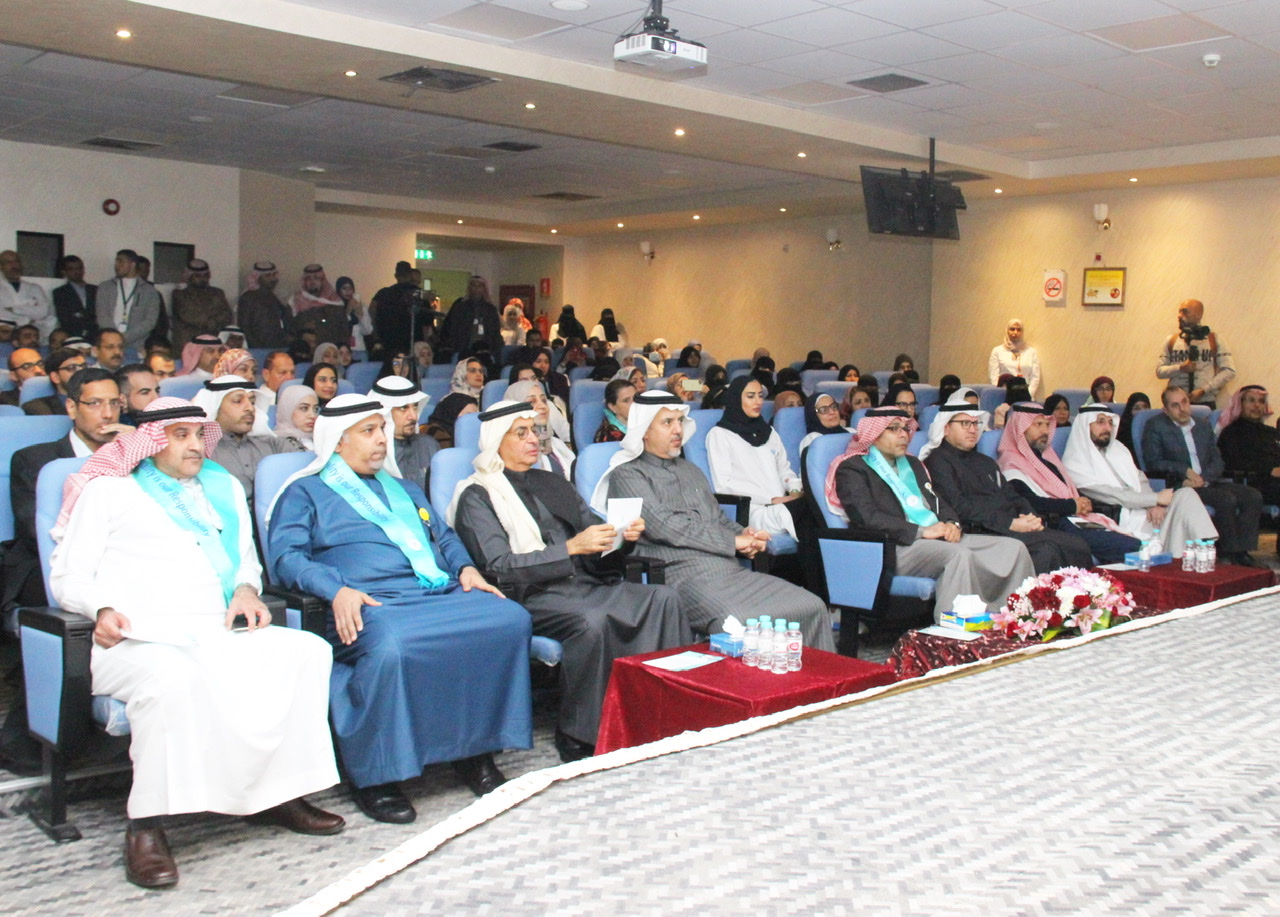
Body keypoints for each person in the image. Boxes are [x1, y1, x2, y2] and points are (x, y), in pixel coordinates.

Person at [50, 398, 342, 886]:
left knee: (306, 652)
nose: (193, 446)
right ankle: (145, 826)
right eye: (179, 435)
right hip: (135, 639)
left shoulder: (221, 487)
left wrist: (246, 589)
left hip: (214, 629)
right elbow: (68, 576)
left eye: (197, 435)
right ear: (149, 442)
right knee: (171, 678)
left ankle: (279, 794)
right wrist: (99, 609)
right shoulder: (108, 491)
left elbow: (246, 562)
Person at [268, 395, 532, 823]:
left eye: (382, 430)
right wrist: (336, 590)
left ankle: (474, 751)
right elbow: (287, 558)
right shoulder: (304, 493)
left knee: (508, 619)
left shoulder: (404, 488)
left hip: (434, 592)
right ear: (337, 441)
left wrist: (465, 568)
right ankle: (377, 775)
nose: (381, 439)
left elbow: (443, 537)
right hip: (367, 602)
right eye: (369, 431)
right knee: (393, 643)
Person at [451, 401, 689, 761]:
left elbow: (593, 535)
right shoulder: (477, 495)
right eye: (521, 433)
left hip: (583, 583)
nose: (534, 439)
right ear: (497, 440)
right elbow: (499, 565)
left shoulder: (552, 482)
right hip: (531, 594)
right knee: (591, 621)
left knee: (664, 598)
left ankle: (658, 709)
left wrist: (621, 537)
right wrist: (571, 548)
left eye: (535, 431)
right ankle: (579, 730)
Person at [597, 392, 834, 651]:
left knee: (812, 606)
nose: (677, 430)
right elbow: (664, 526)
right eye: (667, 423)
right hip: (677, 575)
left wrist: (747, 534)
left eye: (679, 421)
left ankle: (809, 679)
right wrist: (732, 541)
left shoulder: (690, 470)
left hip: (727, 569)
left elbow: (717, 518)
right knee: (736, 623)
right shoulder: (628, 474)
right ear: (644, 431)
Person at [828, 407, 1034, 621]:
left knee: (1013, 548)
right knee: (957, 555)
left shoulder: (912, 464)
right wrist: (921, 531)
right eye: (894, 429)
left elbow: (937, 500)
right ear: (874, 434)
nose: (903, 435)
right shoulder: (853, 469)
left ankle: (1013, 620)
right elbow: (866, 517)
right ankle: (952, 630)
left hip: (936, 539)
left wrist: (952, 523)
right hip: (894, 546)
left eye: (906, 429)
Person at [922, 401, 1092, 574]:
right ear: (946, 428)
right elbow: (959, 507)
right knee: (1047, 550)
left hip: (1012, 526)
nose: (972, 430)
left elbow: (1012, 496)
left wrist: (1029, 517)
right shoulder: (937, 462)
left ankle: (1077, 591)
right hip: (983, 531)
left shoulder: (985, 462)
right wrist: (1011, 524)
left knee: (1077, 544)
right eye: (965, 423)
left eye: (975, 423)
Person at [1063, 403, 1218, 560]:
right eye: (1101, 422)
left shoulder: (1118, 449)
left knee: (1186, 494)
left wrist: (1153, 504)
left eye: (1110, 422)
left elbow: (1140, 479)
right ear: (1085, 425)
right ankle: (1187, 559)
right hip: (1123, 521)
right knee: (1181, 520)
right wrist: (1154, 499)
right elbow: (1115, 496)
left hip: (1145, 511)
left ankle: (1207, 547)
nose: (1108, 428)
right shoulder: (1074, 462)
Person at [998, 403, 1142, 563]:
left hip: (1074, 518)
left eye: (1047, 425)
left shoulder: (1046, 458)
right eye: (1038, 424)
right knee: (1130, 547)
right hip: (1053, 524)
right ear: (1020, 428)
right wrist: (1072, 505)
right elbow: (1030, 503)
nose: (1045, 431)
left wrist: (1082, 503)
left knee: (1132, 543)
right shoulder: (1011, 464)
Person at [1142, 387, 1263, 565]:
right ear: (1166, 410)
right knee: (1225, 499)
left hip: (1208, 480)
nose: (1182, 409)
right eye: (1175, 405)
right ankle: (1229, 553)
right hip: (1183, 485)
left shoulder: (1202, 425)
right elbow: (1153, 462)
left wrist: (1204, 478)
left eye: (1184, 402)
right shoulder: (1156, 426)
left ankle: (1243, 551)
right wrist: (1184, 471)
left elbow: (1217, 459)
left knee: (1252, 496)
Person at [193, 376, 301, 501]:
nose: (250, 408)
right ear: (215, 408)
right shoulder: (202, 454)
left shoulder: (274, 445)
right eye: (238, 401)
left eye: (252, 402)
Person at [1156, 298, 1234, 407]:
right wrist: (1180, 368)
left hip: (1205, 402)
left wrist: (1204, 390)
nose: (1179, 316)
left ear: (1198, 315)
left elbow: (1229, 371)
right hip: (1175, 404)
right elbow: (1160, 371)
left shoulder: (1214, 340)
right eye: (1179, 312)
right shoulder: (1171, 341)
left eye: (1185, 312)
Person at [372, 375, 439, 492]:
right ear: (385, 413)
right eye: (403, 408)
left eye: (415, 407)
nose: (413, 416)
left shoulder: (429, 445)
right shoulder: (371, 453)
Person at [1217, 385, 1280, 505]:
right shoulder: (1231, 433)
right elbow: (1232, 463)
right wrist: (1269, 470)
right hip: (1253, 485)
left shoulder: (1271, 432)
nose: (1256, 405)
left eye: (1261, 401)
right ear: (1240, 404)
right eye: (1251, 400)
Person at [95, 249, 164, 354]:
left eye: (121, 261)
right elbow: (102, 315)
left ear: (132, 264)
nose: (117, 265)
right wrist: (114, 338)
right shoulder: (105, 287)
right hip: (108, 344)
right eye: (116, 261)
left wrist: (125, 337)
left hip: (137, 345)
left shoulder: (150, 291)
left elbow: (150, 321)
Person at [505, 379, 575, 476]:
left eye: (544, 400)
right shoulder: (514, 454)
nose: (542, 406)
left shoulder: (557, 444)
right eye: (532, 401)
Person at [170, 259, 234, 350]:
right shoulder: (179, 294)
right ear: (189, 276)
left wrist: (212, 323)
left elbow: (227, 315)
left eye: (205, 275)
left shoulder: (218, 293)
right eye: (198, 276)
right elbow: (187, 315)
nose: (202, 279)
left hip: (213, 341)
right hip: (189, 342)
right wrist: (211, 322)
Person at [439, 276, 502, 363]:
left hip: (484, 350)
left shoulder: (490, 309)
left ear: (484, 289)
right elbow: (452, 329)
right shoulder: (460, 307)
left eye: (479, 286)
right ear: (469, 288)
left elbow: (495, 332)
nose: (476, 289)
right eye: (473, 285)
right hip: (463, 349)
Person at [0, 250, 54, 342]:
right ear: (1, 266)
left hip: (31, 339)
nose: (14, 265)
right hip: (4, 338)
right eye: (8, 262)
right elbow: (2, 314)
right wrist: (29, 317)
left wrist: (14, 309)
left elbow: (43, 312)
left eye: (16, 261)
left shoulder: (34, 288)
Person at [237, 260, 293, 348]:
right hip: (257, 347)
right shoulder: (248, 298)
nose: (272, 279)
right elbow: (245, 327)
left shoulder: (273, 297)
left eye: (274, 275)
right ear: (257, 277)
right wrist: (256, 347)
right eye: (267, 276)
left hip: (277, 346)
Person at [370, 261, 423, 354]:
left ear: (395, 276)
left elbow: (372, 312)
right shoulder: (418, 294)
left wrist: (376, 338)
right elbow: (426, 323)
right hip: (413, 343)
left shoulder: (383, 294)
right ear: (410, 275)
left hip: (388, 342)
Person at [290, 264, 348, 346]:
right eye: (308, 279)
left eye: (316, 278)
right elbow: (289, 331)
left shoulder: (336, 303)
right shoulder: (294, 302)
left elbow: (344, 332)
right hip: (305, 350)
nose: (312, 282)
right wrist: (302, 330)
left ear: (322, 280)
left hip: (331, 350)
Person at [23, 348, 87, 416]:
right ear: (55, 377)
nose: (81, 371)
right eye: (72, 367)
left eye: (84, 366)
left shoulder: (94, 401)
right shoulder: (39, 408)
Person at [988, 319, 1041, 395]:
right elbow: (994, 377)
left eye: (1018, 330)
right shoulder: (997, 351)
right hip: (1004, 395)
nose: (1015, 332)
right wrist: (1002, 393)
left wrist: (1027, 395)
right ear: (1007, 331)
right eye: (1012, 329)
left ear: (1022, 332)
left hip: (1026, 395)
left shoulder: (1031, 352)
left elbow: (1035, 378)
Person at [52, 254, 97, 338]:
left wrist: (80, 315)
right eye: (71, 269)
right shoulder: (60, 292)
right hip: (72, 335)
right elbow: (65, 318)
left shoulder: (96, 290)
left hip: (95, 334)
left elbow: (100, 314)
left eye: (79, 268)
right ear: (64, 272)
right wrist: (88, 316)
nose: (77, 272)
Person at [273, 383, 319, 451]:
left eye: (315, 409)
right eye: (304, 408)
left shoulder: (322, 439)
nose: (313, 415)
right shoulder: (276, 444)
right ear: (288, 410)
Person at [335, 275, 372, 352]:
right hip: (341, 350)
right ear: (338, 290)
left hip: (359, 349)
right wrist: (348, 311)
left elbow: (367, 331)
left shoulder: (360, 306)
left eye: (350, 288)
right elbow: (337, 329)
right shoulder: (334, 308)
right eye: (344, 288)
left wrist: (360, 314)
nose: (348, 291)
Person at [595, 378, 635, 443]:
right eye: (626, 400)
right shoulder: (609, 436)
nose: (634, 403)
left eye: (636, 398)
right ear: (612, 407)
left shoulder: (646, 422)